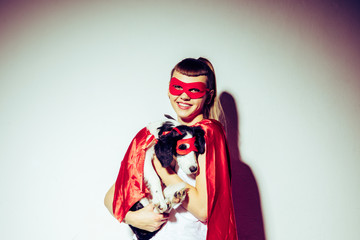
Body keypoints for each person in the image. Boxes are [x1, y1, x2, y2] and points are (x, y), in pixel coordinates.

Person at [104, 57, 238, 240]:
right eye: (177, 87)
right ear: (169, 90)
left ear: (209, 95)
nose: (184, 96)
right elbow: (112, 196)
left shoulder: (206, 134)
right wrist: (134, 218)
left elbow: (203, 210)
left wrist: (161, 168)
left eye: (194, 90)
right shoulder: (156, 136)